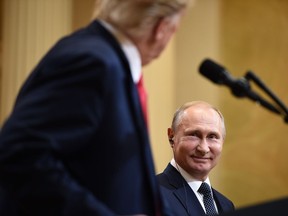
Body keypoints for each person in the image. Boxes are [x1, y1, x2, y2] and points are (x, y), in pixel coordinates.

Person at [0, 0, 192, 215]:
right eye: (176, 28)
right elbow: (21, 155)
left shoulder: (111, 62)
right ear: (161, 28)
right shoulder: (92, 61)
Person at [157, 101, 235, 216]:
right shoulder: (150, 194)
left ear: (222, 142)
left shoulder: (226, 205)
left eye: (212, 137)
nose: (203, 149)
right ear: (171, 137)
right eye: (194, 135)